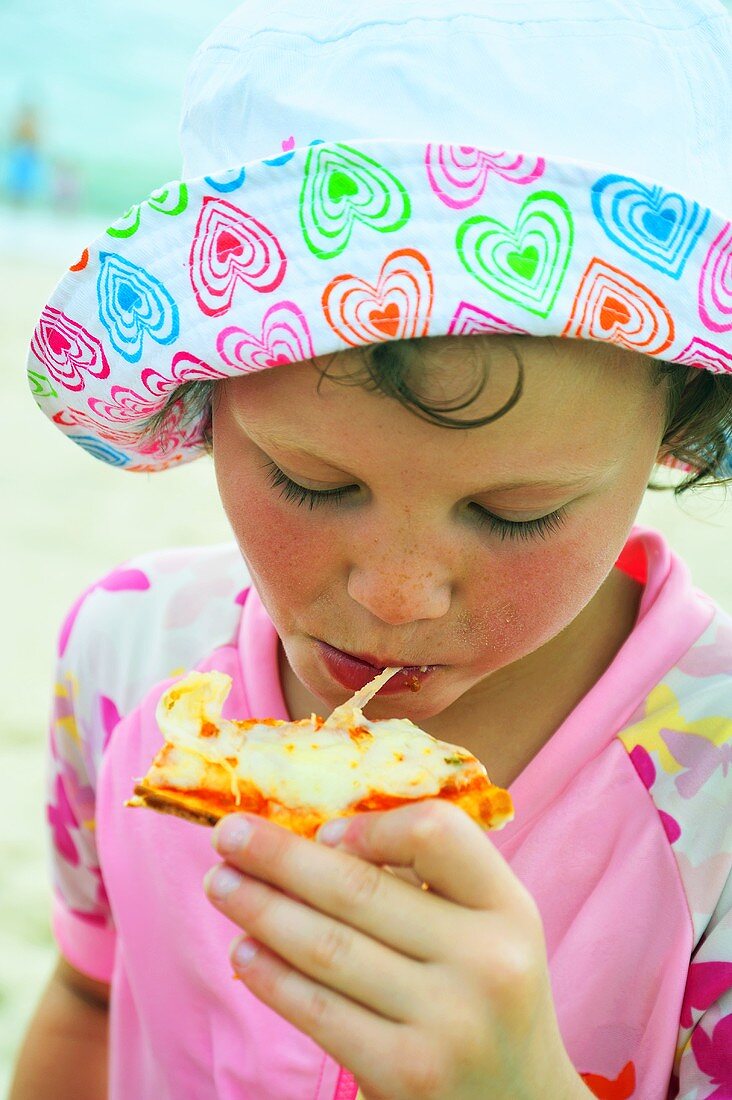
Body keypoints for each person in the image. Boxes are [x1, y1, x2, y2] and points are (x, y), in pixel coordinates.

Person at [10, 2, 732, 1098]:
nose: (394, 598)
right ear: (204, 405)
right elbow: (91, 995)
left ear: (679, 423)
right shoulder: (127, 657)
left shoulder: (714, 795)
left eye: (517, 510)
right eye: (313, 481)